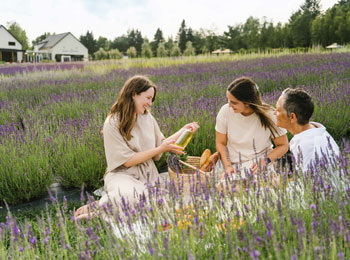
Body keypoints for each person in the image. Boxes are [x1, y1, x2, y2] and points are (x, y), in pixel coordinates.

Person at [75, 75, 199, 219]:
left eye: (151, 99)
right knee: (131, 196)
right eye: (147, 98)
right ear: (134, 94)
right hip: (122, 175)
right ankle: (100, 209)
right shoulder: (112, 122)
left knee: (158, 204)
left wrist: (183, 131)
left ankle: (100, 207)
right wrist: (161, 149)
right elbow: (127, 161)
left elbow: (162, 144)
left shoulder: (147, 118)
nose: (150, 103)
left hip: (147, 175)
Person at [215, 77, 288, 180]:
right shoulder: (225, 111)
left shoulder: (270, 114)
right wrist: (228, 166)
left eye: (234, 102)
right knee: (227, 189)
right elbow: (220, 143)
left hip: (259, 164)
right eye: (228, 100)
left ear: (247, 102)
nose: (229, 105)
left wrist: (266, 160)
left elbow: (283, 145)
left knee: (262, 189)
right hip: (233, 164)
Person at [274, 88, 340, 173]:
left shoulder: (307, 146)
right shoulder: (316, 131)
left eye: (278, 110)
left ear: (292, 117)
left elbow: (306, 183)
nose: (274, 113)